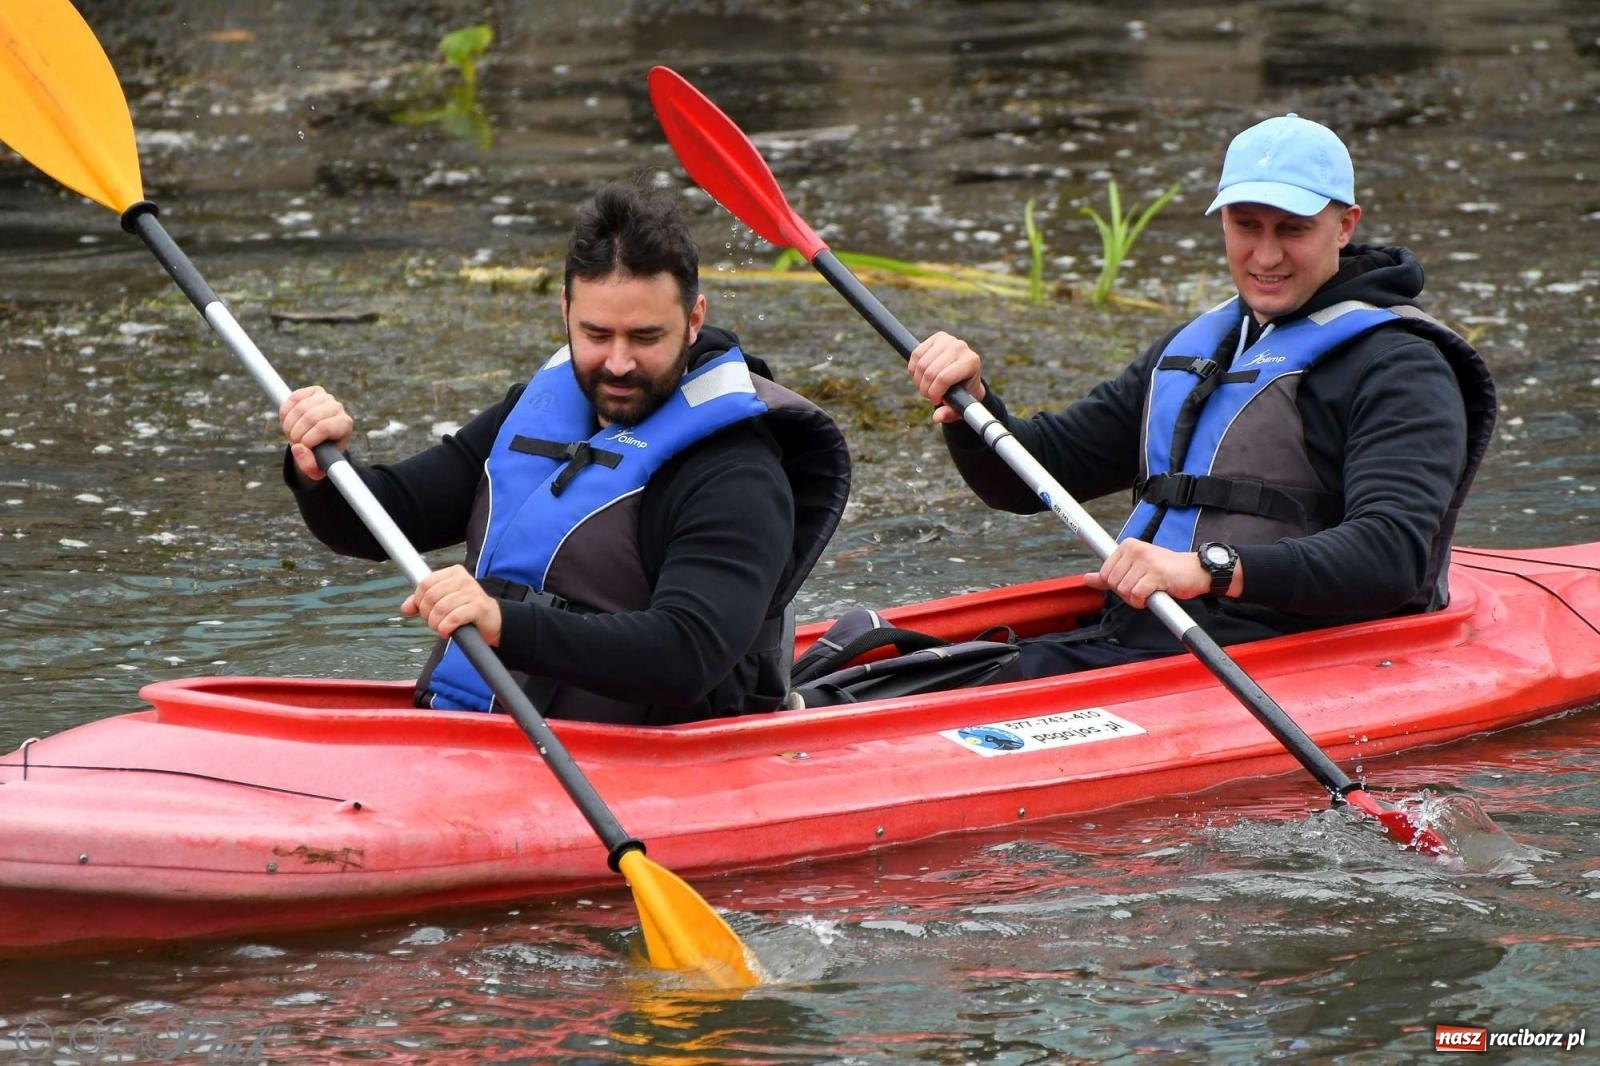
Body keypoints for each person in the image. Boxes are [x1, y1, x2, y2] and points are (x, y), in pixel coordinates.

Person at [906, 113, 1496, 679]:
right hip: (1153, 635)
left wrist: (1208, 568)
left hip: (1287, 653)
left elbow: (1391, 556)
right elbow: (1034, 476)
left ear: (1344, 226)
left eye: (1292, 229)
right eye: (1246, 226)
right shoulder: (1206, 344)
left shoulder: (1401, 368)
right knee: (882, 656)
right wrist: (972, 404)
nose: (1266, 256)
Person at [278, 178, 851, 723]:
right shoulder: (539, 412)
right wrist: (320, 470)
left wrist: (504, 623)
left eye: (646, 337)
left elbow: (687, 655)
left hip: (658, 755)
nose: (619, 363)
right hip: (485, 732)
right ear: (566, 313)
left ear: (693, 319)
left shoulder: (735, 472)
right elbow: (380, 519)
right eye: (596, 334)